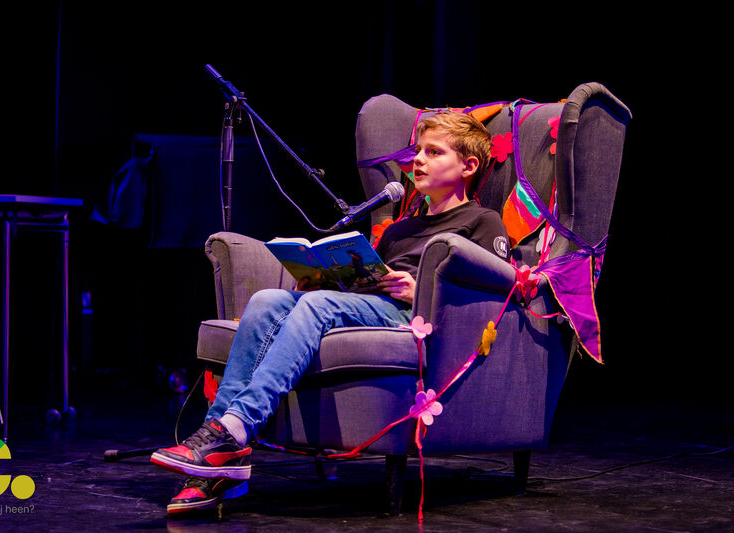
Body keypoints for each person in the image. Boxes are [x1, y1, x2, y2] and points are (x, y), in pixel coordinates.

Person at [150, 111, 510, 514]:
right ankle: (220, 449)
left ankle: (235, 427)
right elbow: (368, 283)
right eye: (418, 152)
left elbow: (498, 288)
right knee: (268, 300)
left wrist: (420, 291)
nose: (419, 161)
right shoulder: (398, 229)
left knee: (317, 306)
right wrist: (322, 280)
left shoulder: (482, 221)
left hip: (411, 317)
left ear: (468, 166)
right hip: (368, 305)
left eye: (434, 152)